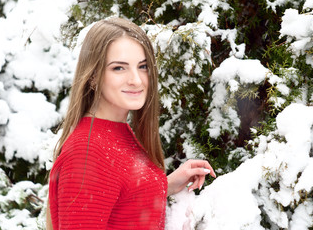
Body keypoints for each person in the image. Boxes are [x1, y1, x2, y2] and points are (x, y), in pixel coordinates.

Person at [46, 17, 216, 230]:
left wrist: (166, 185)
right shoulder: (87, 151)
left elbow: (122, 202)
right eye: (119, 68)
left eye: (143, 66)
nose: (136, 79)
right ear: (93, 76)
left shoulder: (116, 131)